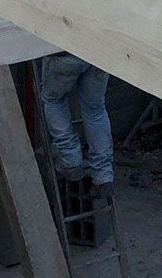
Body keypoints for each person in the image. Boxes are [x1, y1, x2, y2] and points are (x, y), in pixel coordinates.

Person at [40, 52, 115, 198]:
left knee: (53, 100)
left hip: (65, 53)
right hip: (99, 51)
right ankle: (103, 175)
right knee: (96, 110)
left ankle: (70, 159)